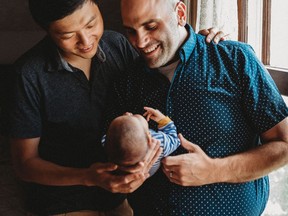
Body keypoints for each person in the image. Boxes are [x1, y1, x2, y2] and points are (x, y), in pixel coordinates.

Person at [8, 0, 224, 215]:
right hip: (62, 203)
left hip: (121, 198)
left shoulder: (117, 45)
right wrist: (88, 177)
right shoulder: (28, 75)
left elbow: (161, 69)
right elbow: (24, 164)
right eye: (67, 35)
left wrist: (196, 43)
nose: (85, 41)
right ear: (48, 32)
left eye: (91, 24)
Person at [104, 0, 288, 215]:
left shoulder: (235, 59)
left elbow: (284, 144)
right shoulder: (125, 82)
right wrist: (127, 173)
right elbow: (111, 157)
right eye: (131, 31)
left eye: (151, 27)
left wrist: (213, 170)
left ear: (180, 13)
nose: (140, 42)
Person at [104, 107, 180, 176]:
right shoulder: (160, 142)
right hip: (150, 172)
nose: (128, 114)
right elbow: (175, 139)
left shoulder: (107, 142)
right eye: (134, 117)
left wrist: (124, 122)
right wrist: (163, 121)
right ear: (149, 138)